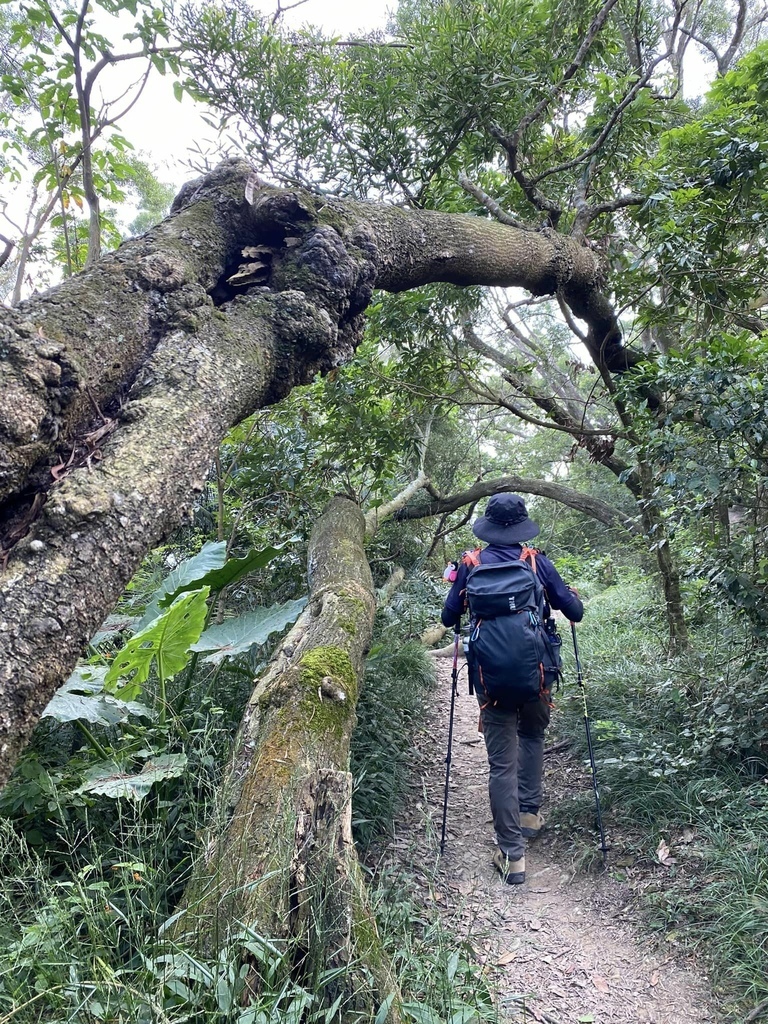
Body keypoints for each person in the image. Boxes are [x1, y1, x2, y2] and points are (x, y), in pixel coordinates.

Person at [441, 492, 583, 885]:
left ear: (487, 527)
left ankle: (512, 856)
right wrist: (567, 595)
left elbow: (448, 615)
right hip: (537, 674)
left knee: (501, 763)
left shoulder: (471, 564)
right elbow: (574, 612)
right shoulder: (536, 561)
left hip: (492, 679)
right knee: (533, 735)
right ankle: (529, 814)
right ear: (521, 526)